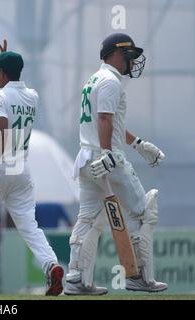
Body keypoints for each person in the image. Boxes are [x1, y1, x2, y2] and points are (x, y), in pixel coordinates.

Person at [64, 33, 167, 295]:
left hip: (87, 158)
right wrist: (109, 153)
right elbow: (104, 120)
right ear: (115, 53)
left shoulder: (95, 79)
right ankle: (139, 276)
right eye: (128, 55)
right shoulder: (111, 81)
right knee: (144, 213)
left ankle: (75, 279)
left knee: (87, 219)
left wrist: (139, 144)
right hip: (108, 159)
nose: (131, 61)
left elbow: (113, 122)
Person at [0, 41, 64, 296]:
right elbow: (14, 91)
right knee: (29, 224)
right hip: (22, 168)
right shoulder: (32, 96)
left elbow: (2, 130)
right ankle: (50, 264)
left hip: (0, 163)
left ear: (2, 74)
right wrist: (4, 59)